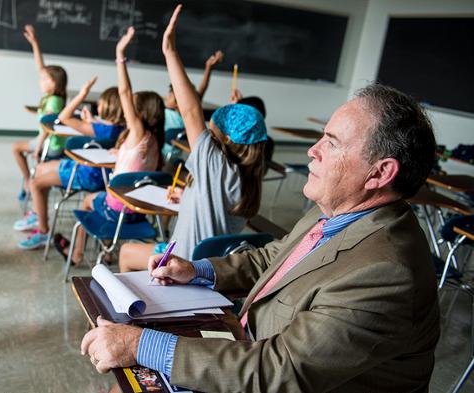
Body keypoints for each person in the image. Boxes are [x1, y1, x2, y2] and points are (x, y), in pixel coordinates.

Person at [79, 6, 440, 392]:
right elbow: (273, 257)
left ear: (380, 173)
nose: (311, 151)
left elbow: (280, 371)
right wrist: (198, 269)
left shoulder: (386, 273)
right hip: (250, 345)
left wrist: (141, 345)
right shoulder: (337, 214)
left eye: (331, 144)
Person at [118, 21, 267, 271]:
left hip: (183, 262)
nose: (208, 125)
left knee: (125, 253)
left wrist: (170, 52)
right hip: (215, 267)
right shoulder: (248, 177)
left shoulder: (216, 167)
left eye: (214, 126)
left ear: (226, 140)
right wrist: (186, 196)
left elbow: (190, 110)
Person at [58, 26, 165, 265]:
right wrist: (121, 154)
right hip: (139, 213)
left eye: (133, 107)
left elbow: (124, 92)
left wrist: (120, 54)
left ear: (140, 113)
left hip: (120, 211)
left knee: (88, 201)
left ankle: (78, 254)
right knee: (98, 197)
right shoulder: (155, 140)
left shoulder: (138, 132)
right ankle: (106, 251)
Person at [14, 78, 126, 249]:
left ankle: (43, 230)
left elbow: (63, 117)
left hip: (87, 175)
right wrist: (91, 121)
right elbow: (103, 128)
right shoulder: (118, 129)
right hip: (99, 175)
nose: (98, 107)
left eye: (101, 104)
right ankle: (39, 214)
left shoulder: (99, 129)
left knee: (36, 181)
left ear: (109, 107)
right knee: (39, 170)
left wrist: (82, 94)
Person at [11, 24, 67, 200]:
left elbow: (47, 127)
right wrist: (34, 43)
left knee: (16, 148)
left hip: (50, 145)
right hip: (51, 142)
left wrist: (38, 149)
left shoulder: (54, 101)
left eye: (45, 79)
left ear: (55, 83)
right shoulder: (54, 99)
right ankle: (29, 181)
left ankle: (28, 180)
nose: (40, 80)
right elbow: (40, 67)